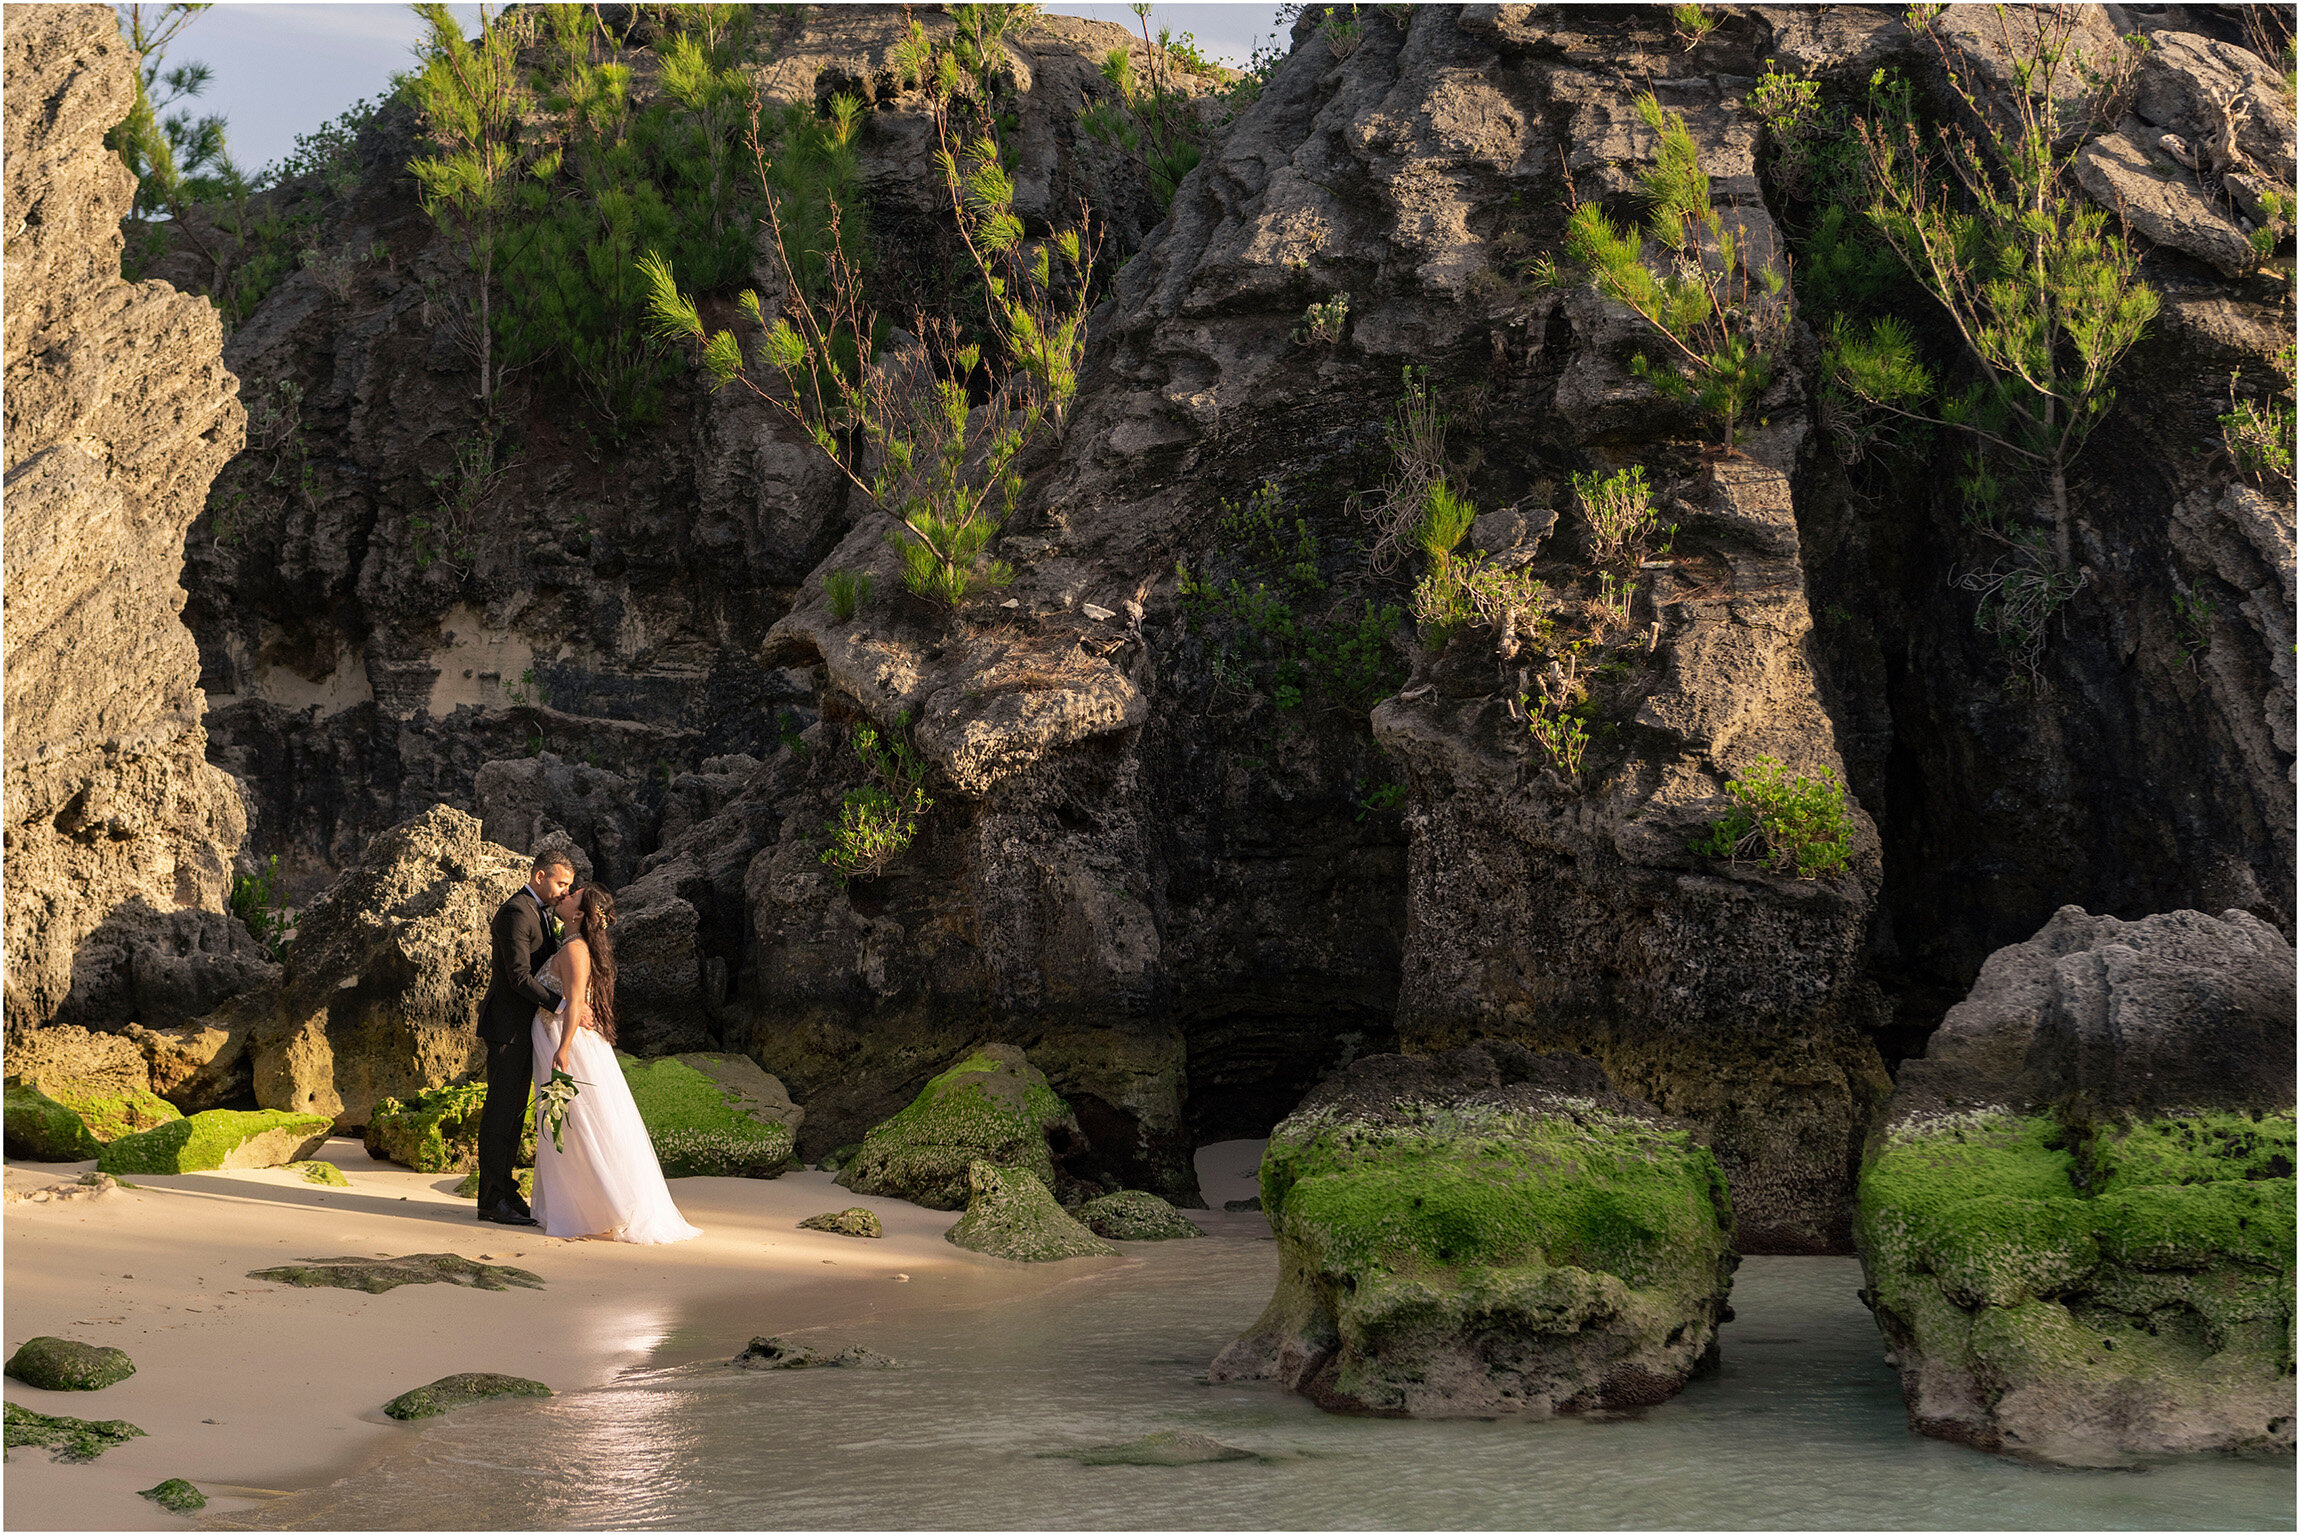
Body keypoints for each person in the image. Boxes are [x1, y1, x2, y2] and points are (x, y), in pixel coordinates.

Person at [529, 884, 700, 1244]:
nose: (565, 895)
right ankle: (589, 1204)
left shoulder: (576, 949)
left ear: (579, 915)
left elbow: (576, 1002)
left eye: (573, 895)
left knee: (579, 1124)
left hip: (566, 1043)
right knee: (574, 1124)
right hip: (558, 1038)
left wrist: (563, 1049)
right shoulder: (571, 945)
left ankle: (604, 1205)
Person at [474, 852, 573, 1226]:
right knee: (500, 1115)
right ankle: (490, 1200)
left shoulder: (540, 914)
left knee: (514, 1116)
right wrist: (561, 1004)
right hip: (506, 1029)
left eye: (568, 886)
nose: (564, 892)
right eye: (561, 884)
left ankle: (505, 1191)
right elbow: (518, 976)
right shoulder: (517, 912)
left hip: (523, 1030)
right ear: (540, 875)